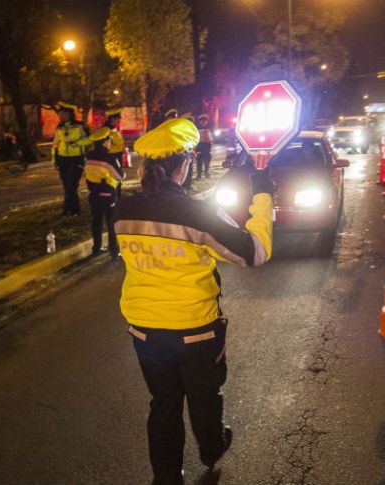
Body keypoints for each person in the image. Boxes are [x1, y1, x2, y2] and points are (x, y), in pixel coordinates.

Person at [113, 117, 275, 485]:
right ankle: (212, 449)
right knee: (204, 397)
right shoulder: (197, 214)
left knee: (164, 403)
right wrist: (262, 194)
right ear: (184, 165)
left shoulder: (123, 209)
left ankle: (167, 478)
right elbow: (255, 252)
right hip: (195, 331)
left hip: (145, 330)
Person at [85, 127, 123, 258]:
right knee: (111, 223)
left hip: (94, 194)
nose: (110, 143)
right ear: (104, 142)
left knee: (96, 222)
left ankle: (96, 248)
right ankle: (114, 251)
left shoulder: (89, 155)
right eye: (109, 140)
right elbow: (120, 176)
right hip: (108, 196)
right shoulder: (109, 158)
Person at [52, 101, 91, 216]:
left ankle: (65, 209)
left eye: (61, 113)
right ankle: (75, 210)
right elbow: (55, 144)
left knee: (72, 185)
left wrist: (78, 143)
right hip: (62, 159)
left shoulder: (80, 126)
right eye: (59, 114)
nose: (59, 116)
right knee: (67, 186)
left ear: (68, 113)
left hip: (76, 158)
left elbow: (89, 139)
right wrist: (54, 160)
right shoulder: (60, 127)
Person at [104, 108, 126, 198]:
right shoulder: (106, 131)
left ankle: (118, 197)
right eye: (118, 119)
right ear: (112, 119)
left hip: (117, 157)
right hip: (111, 157)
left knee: (118, 180)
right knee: (114, 179)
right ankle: (115, 198)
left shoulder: (115, 130)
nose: (119, 121)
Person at [196, 114, 213, 179]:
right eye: (202, 121)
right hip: (200, 147)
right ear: (199, 122)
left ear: (206, 121)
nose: (203, 122)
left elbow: (211, 139)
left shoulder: (209, 128)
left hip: (207, 147)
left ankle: (206, 173)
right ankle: (199, 175)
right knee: (199, 162)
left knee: (207, 162)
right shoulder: (197, 128)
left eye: (205, 121)